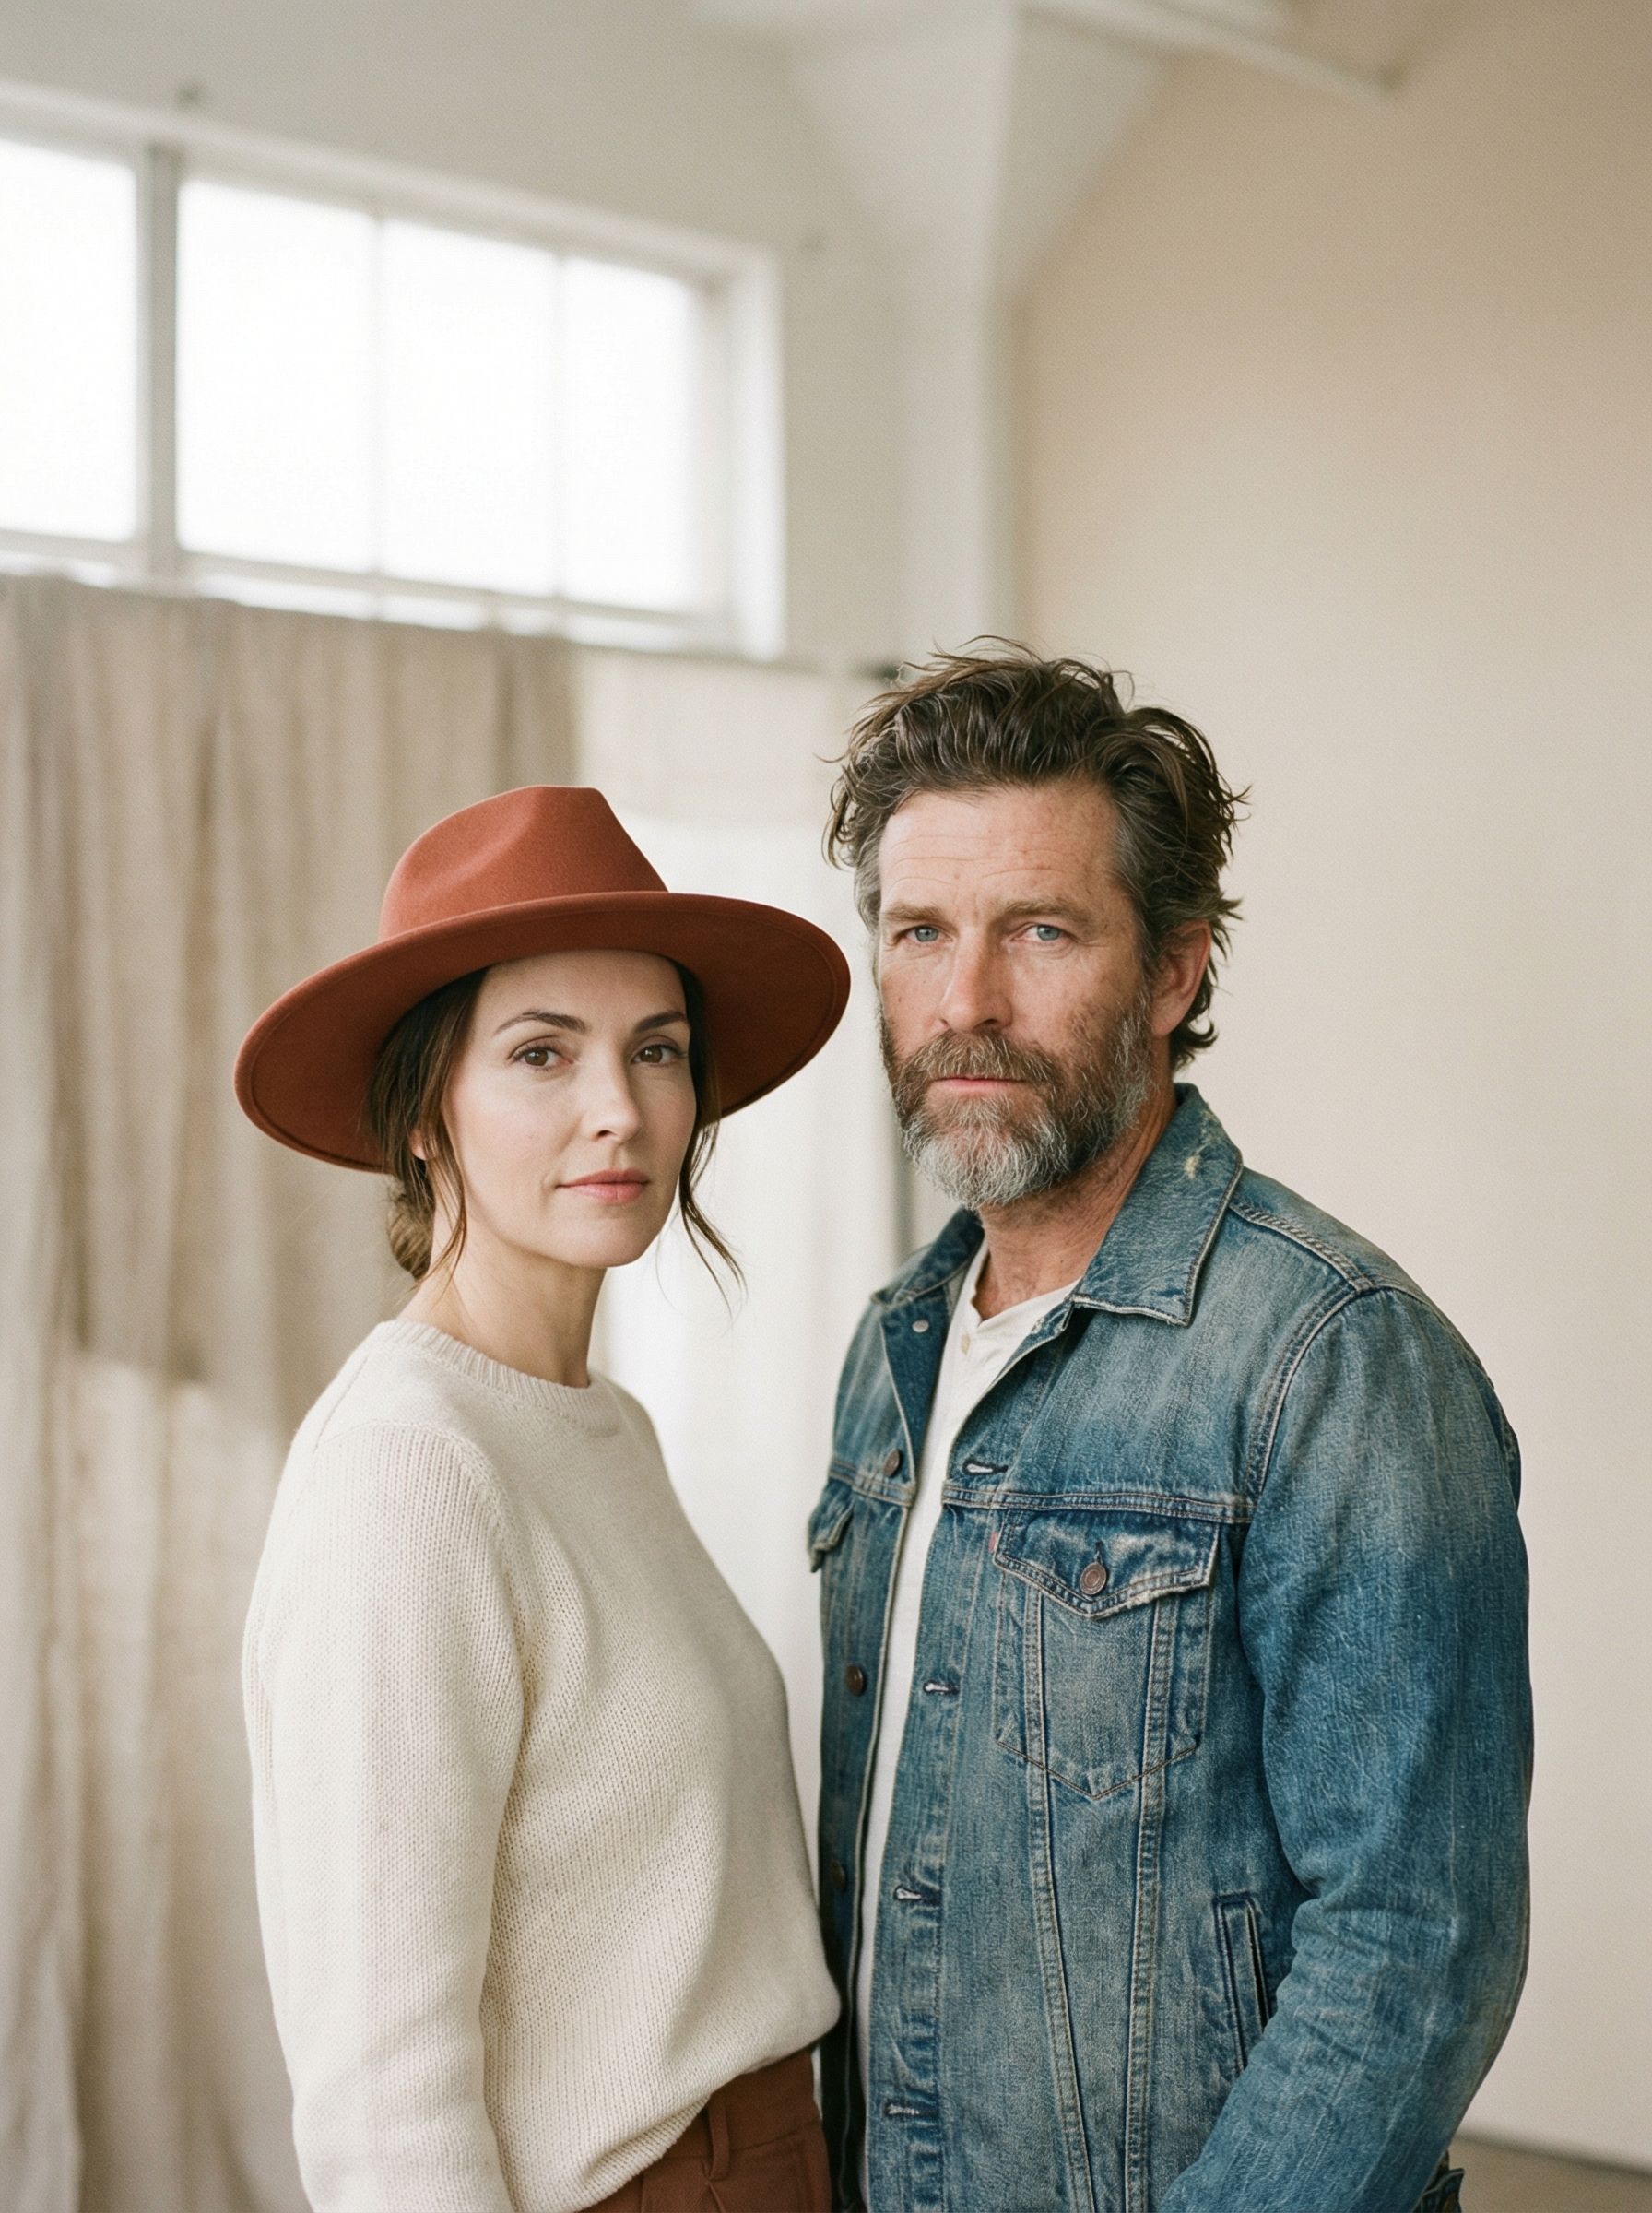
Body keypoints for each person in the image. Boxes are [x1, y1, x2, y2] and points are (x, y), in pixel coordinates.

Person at [810, 649, 1530, 2213]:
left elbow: (1419, 1941)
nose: (966, 1004)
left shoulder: (1337, 1362)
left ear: (1175, 972)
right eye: (919, 934)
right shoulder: (896, 1350)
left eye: (1040, 933)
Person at [235, 785, 847, 2213]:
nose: (617, 1110)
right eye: (539, 1054)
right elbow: (382, 2090)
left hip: (770, 2154)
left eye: (657, 1050)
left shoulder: (596, 1428)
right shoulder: (407, 1469)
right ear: (424, 1116)